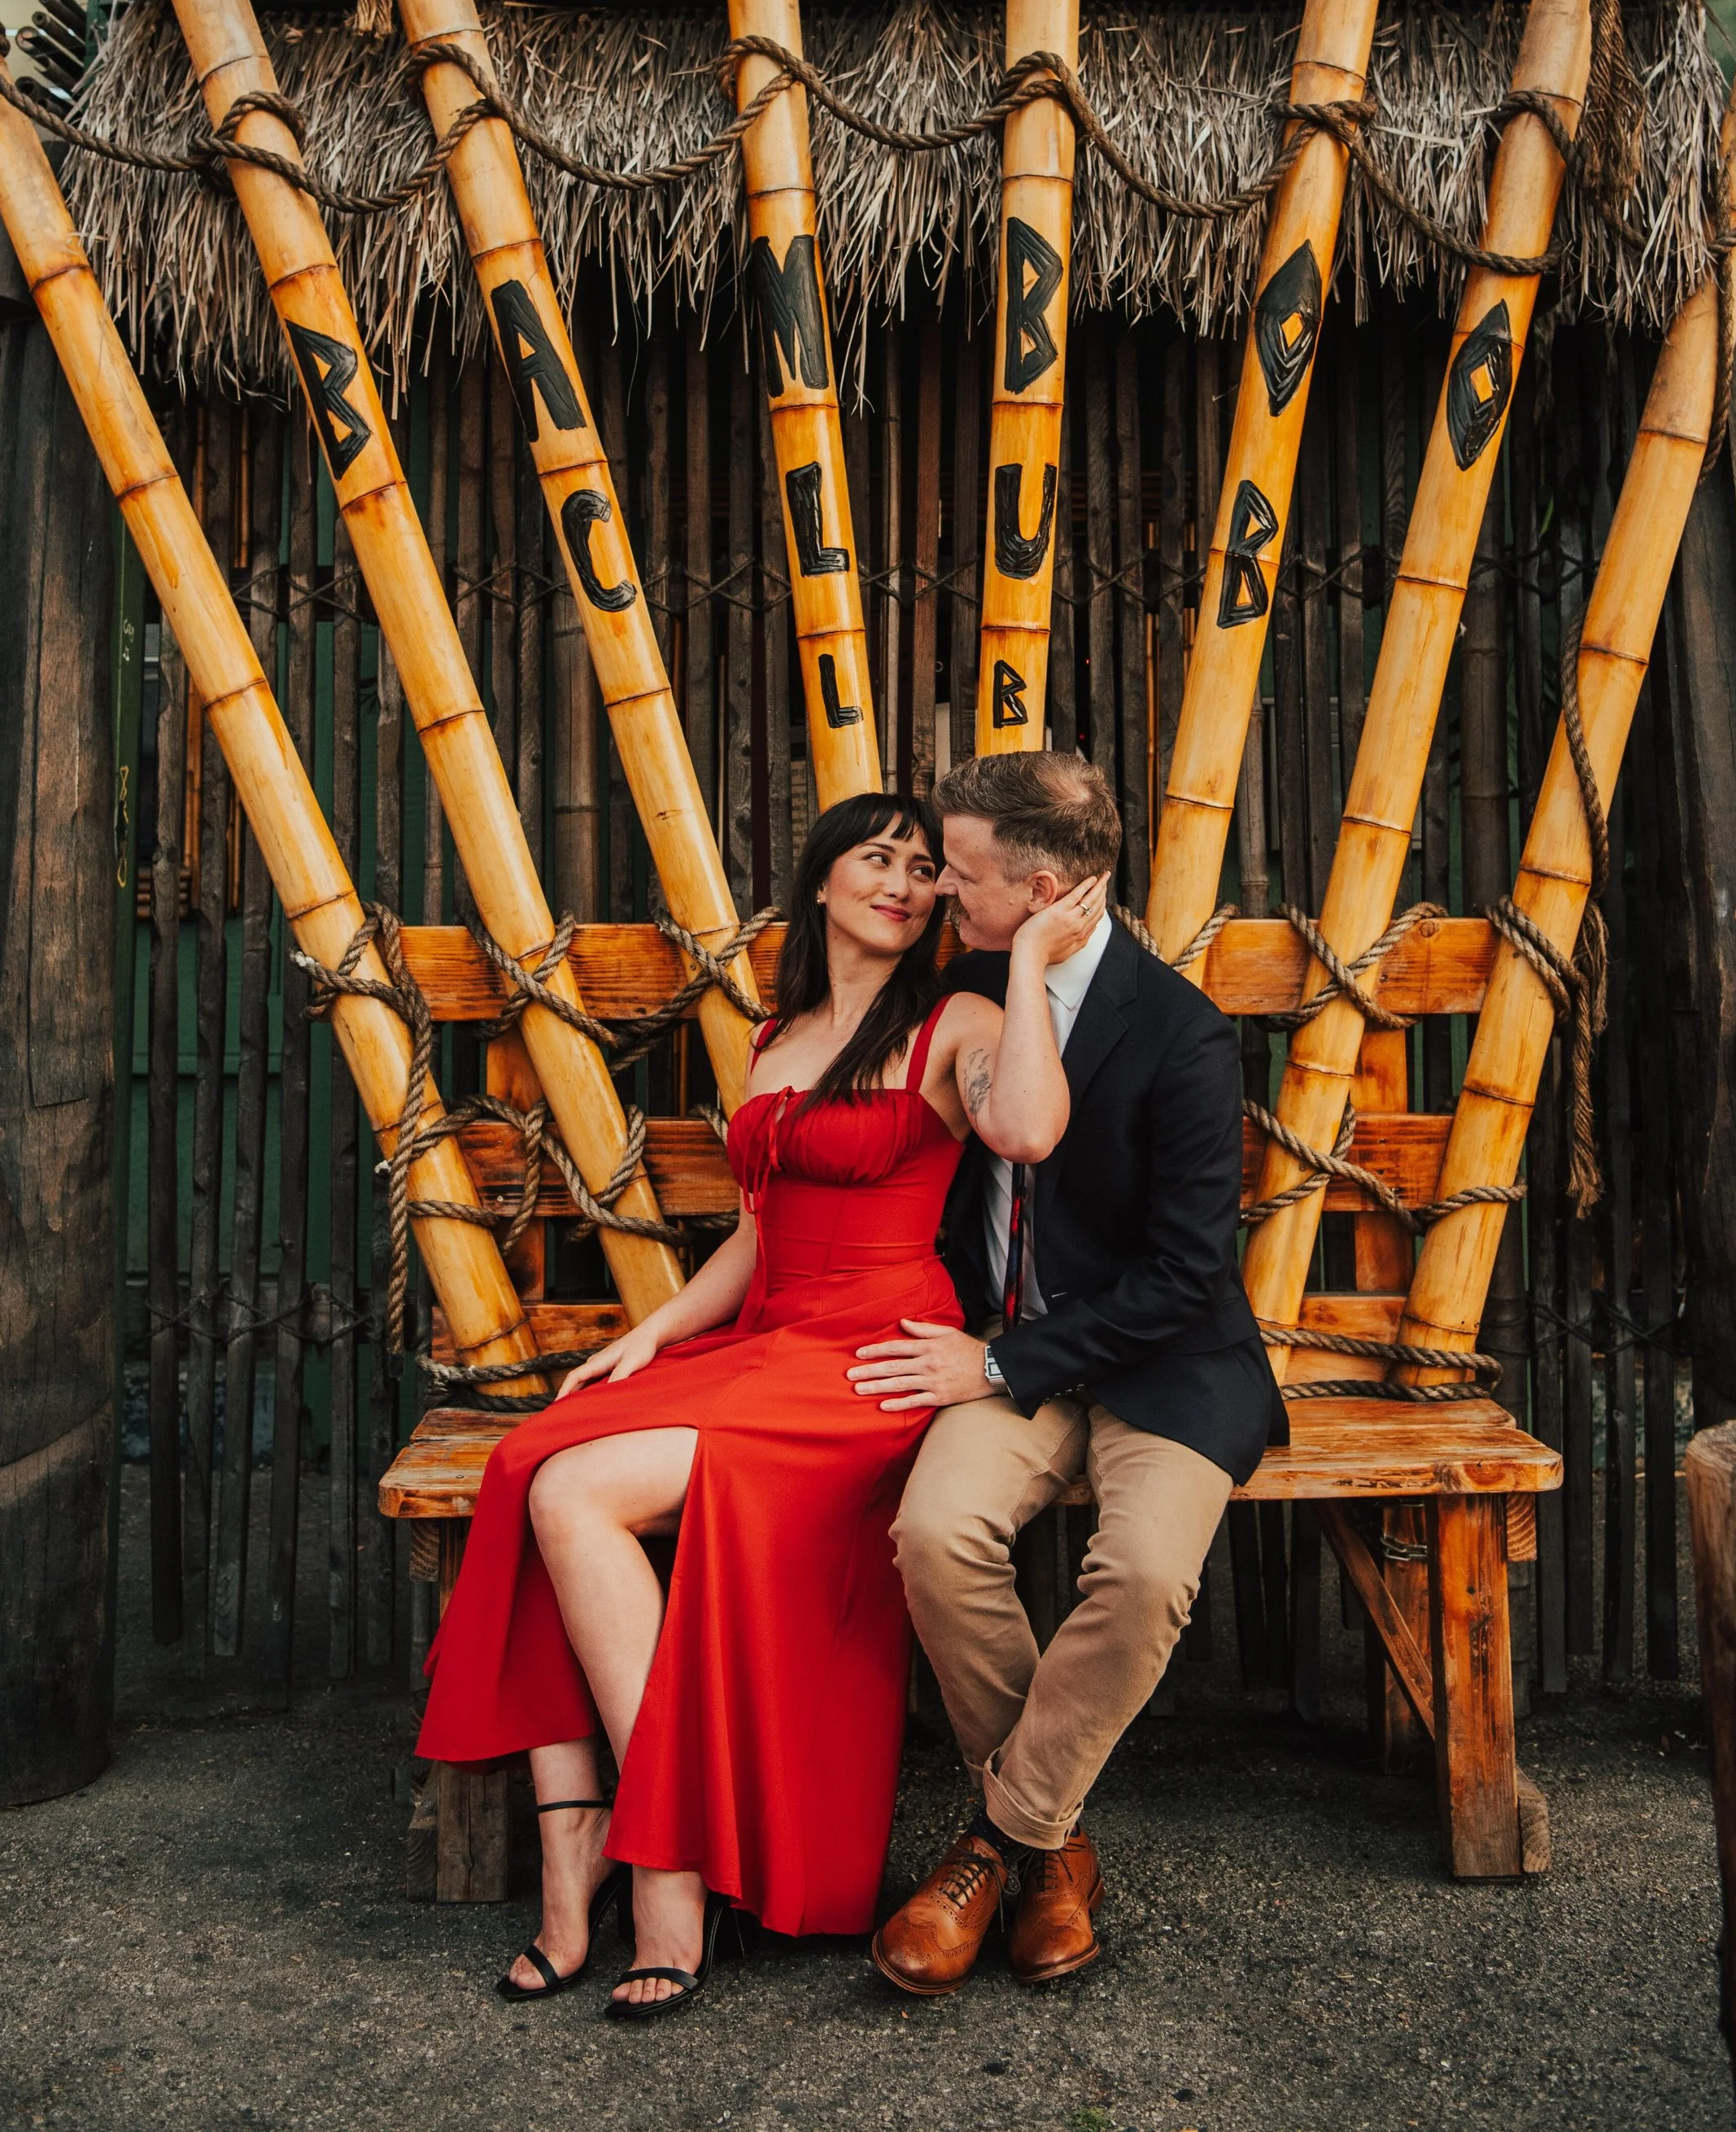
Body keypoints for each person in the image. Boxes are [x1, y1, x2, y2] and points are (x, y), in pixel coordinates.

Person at [412, 791, 1101, 2020]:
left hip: (870, 1359)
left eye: (921, 869)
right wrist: (647, 1339)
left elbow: (1032, 1130)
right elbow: (756, 1232)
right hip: (767, 1337)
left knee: (573, 1492)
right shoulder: (774, 1032)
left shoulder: (960, 1020)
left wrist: (1033, 954)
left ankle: (663, 1862)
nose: (901, 882)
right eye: (875, 859)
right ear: (822, 881)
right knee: (526, 1465)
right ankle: (578, 1867)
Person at [853, 751, 1288, 1995]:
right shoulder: (957, 985)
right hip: (1001, 1347)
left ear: (1042, 889)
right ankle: (1053, 1855)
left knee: (1145, 1573)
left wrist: (1003, 1358)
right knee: (934, 1532)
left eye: (965, 877)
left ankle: (996, 1844)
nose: (940, 892)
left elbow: (1189, 1272)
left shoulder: (1183, 1033)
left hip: (1158, 1362)